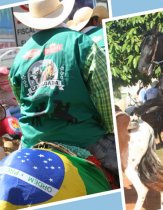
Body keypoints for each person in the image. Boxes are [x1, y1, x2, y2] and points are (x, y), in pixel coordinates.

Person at [10, 0, 117, 175]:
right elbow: (104, 94)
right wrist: (109, 128)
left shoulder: (20, 56)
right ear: (61, 13)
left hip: (32, 140)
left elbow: (21, 100)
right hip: (83, 137)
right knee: (126, 171)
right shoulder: (81, 42)